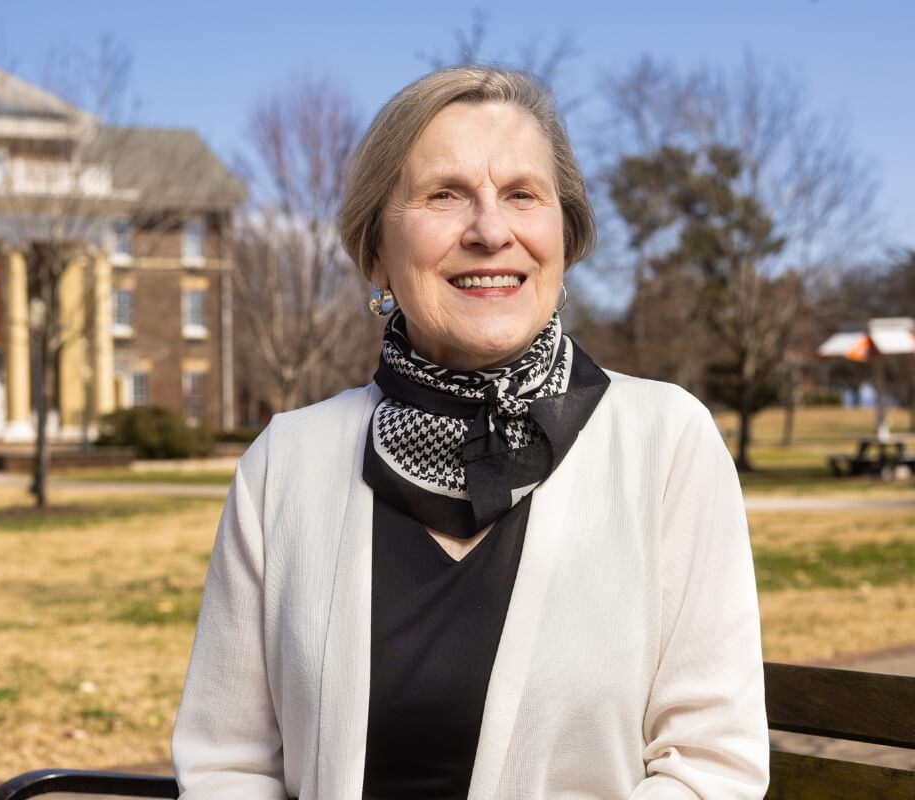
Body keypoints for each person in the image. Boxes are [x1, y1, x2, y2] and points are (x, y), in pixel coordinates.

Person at [172, 67, 769, 799]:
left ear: (565, 236)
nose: (491, 230)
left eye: (522, 194)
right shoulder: (284, 464)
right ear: (374, 253)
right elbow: (226, 765)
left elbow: (711, 765)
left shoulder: (666, 442)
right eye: (444, 195)